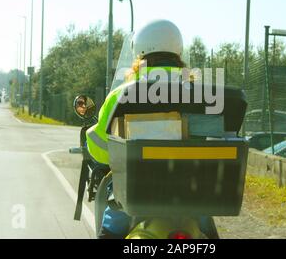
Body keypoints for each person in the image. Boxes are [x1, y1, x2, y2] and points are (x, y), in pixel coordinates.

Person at [86, 19, 214, 239]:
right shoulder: (201, 93)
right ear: (178, 51)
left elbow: (101, 149)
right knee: (207, 229)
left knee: (112, 227)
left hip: (135, 192)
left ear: (139, 54)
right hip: (190, 191)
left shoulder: (122, 94)